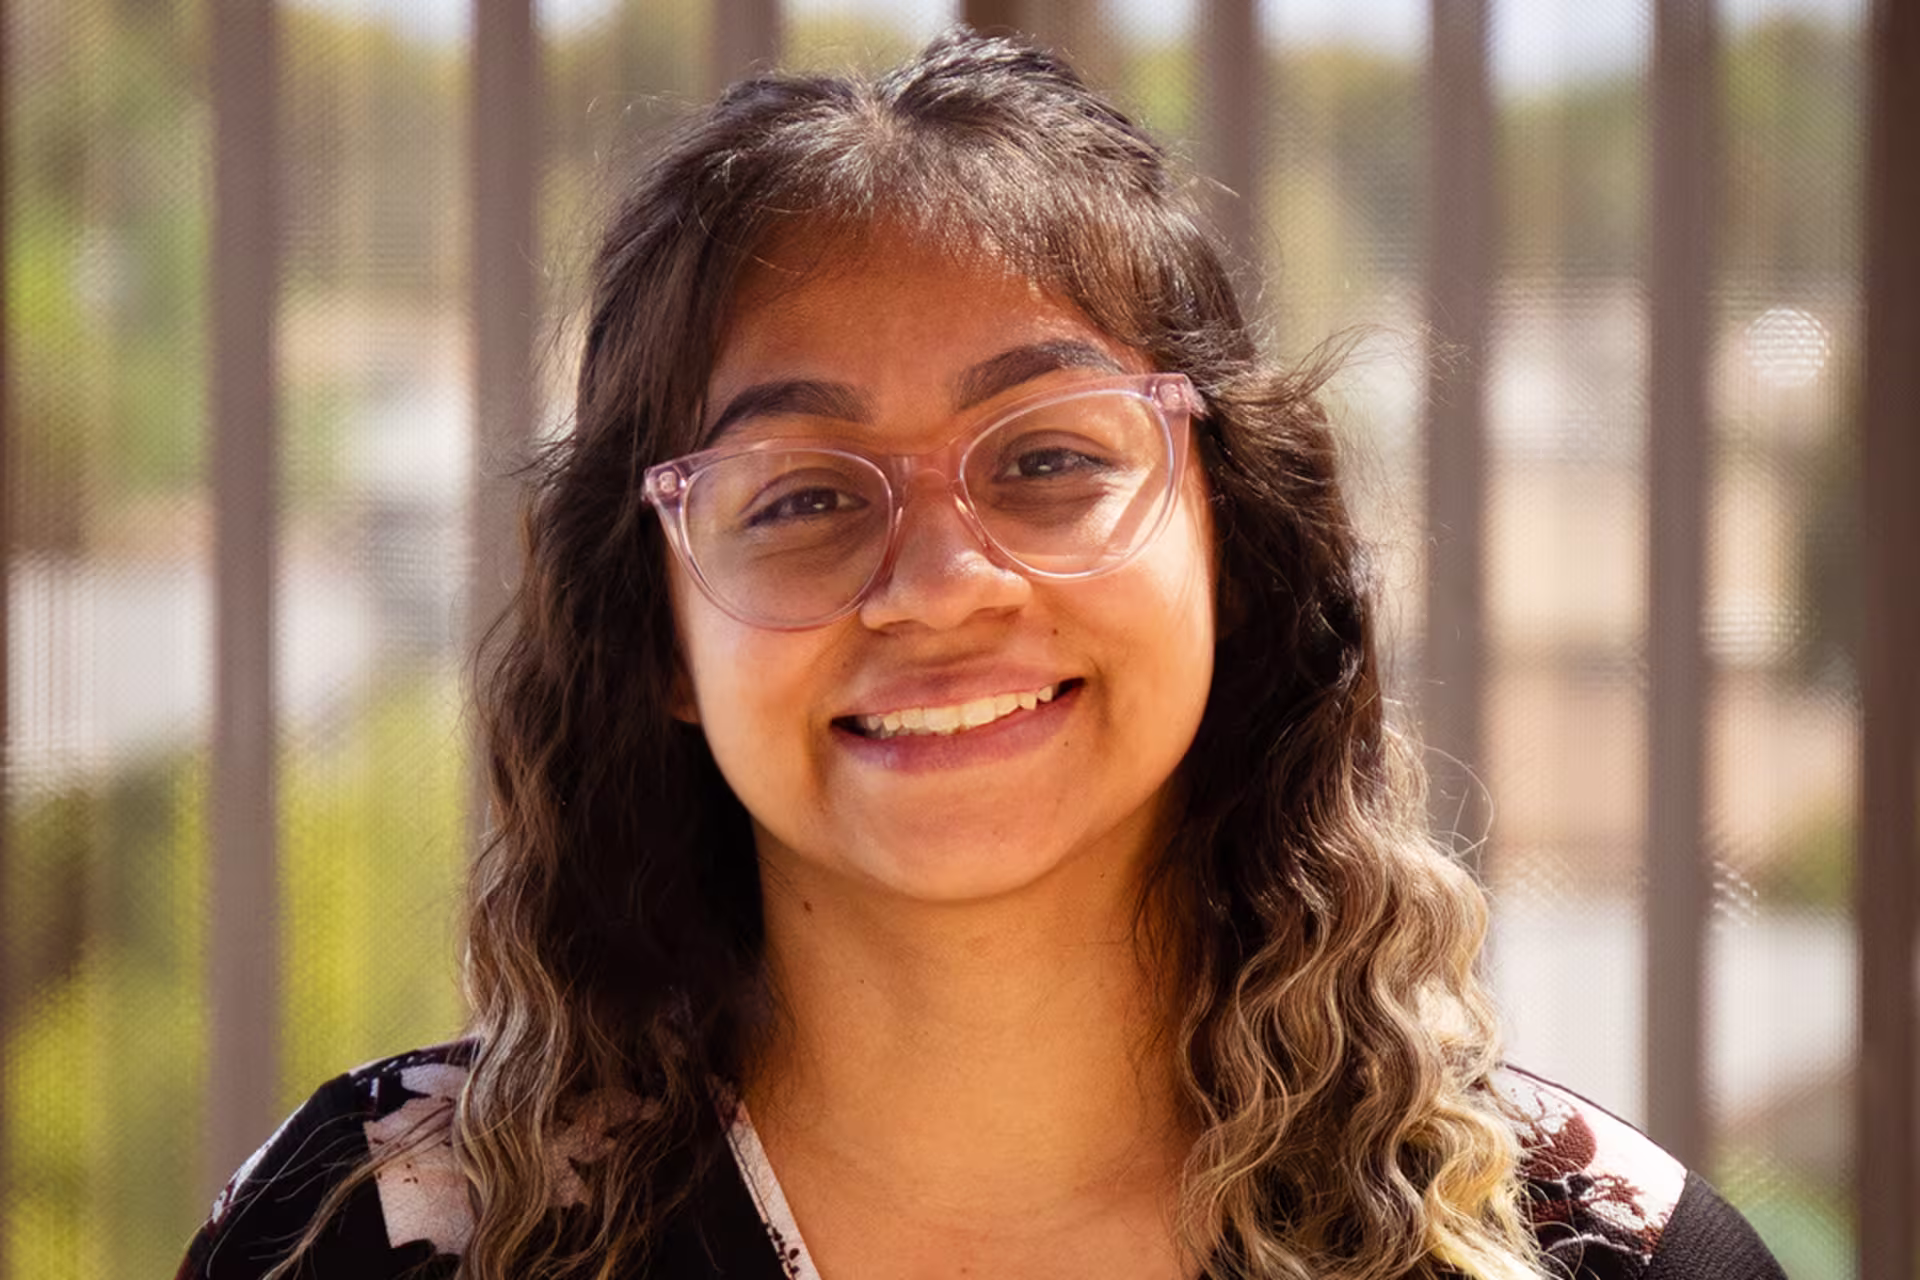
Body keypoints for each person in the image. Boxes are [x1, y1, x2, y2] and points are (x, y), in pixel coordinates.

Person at [177, 29, 1786, 1280]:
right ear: (656, 633)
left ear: (1232, 545)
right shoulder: (382, 1237)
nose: (942, 587)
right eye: (801, 496)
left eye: (1048, 459)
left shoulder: (1586, 1255)